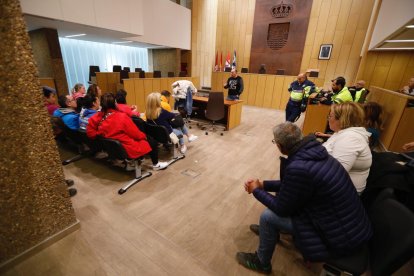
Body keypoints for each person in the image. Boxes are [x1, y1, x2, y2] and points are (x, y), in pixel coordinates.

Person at [236, 122, 372, 274]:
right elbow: (293, 186)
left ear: (280, 146)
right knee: (282, 201)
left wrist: (256, 190)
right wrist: (262, 184)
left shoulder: (299, 167)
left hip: (340, 235)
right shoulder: (315, 152)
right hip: (348, 224)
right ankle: (270, 233)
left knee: (268, 217)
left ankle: (262, 262)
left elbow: (282, 208)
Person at [86, 93, 168, 170]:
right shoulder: (121, 117)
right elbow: (135, 134)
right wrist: (144, 136)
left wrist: (100, 134)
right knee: (151, 141)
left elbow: (90, 133)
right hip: (126, 146)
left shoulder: (96, 117)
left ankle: (130, 163)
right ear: (115, 103)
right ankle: (156, 164)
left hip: (111, 147)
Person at [322, 102, 372, 193]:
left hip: (341, 194)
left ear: (341, 120)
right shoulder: (344, 133)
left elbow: (334, 174)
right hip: (337, 189)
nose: (328, 119)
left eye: (330, 116)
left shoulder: (351, 139)